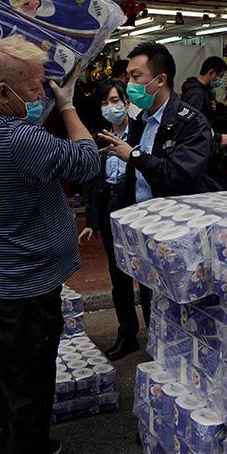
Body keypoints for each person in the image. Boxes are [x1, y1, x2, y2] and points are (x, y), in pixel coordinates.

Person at [0, 36, 99, 454]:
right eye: (37, 87)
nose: (43, 95)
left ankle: (19, 443)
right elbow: (87, 161)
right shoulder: (20, 140)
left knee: (8, 381)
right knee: (32, 387)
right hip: (26, 291)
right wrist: (69, 106)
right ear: (3, 92)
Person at [97, 42, 220, 327]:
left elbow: (179, 176)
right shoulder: (141, 122)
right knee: (152, 296)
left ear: (160, 80)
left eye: (136, 76)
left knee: (179, 304)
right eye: (128, 76)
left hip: (177, 229)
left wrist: (135, 155)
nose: (130, 84)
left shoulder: (190, 122)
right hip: (146, 225)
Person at [78, 81, 145, 360]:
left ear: (127, 103)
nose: (111, 107)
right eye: (105, 103)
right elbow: (94, 184)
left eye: (115, 100)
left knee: (147, 274)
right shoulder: (99, 139)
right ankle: (127, 333)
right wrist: (92, 221)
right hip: (109, 207)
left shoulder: (142, 133)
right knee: (118, 277)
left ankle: (157, 330)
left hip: (136, 209)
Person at [180, 56, 227, 123]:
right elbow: (194, 123)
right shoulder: (197, 93)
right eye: (221, 76)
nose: (221, 80)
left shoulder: (205, 91)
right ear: (212, 73)